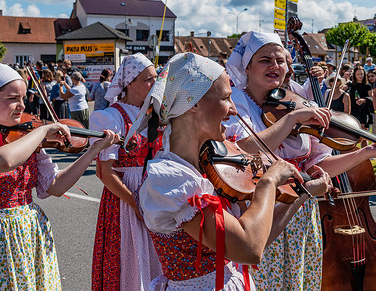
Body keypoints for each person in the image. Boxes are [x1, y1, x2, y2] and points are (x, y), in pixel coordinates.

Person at [124, 52, 332, 290]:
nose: (233, 109)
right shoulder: (170, 180)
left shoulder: (207, 169)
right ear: (194, 104)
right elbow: (249, 249)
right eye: (226, 98)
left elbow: (260, 236)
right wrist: (268, 182)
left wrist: (303, 193)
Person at [0, 61, 119, 290]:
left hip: (30, 234)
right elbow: (2, 161)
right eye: (13, 98)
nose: (22, 106)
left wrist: (93, 151)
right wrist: (43, 130)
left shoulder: (25, 137)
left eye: (23, 98)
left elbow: (55, 186)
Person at [224, 31, 376, 290]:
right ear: (247, 66)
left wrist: (364, 153)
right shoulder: (236, 102)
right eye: (265, 60)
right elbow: (244, 150)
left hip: (301, 215)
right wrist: (292, 119)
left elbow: (315, 167)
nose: (275, 66)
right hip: (262, 214)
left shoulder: (293, 99)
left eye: (281, 60)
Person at [89, 53, 162, 290]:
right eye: (149, 79)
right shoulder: (110, 117)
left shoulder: (156, 115)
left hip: (155, 198)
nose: (155, 84)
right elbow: (104, 173)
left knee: (158, 263)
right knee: (130, 262)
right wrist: (135, 203)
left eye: (156, 78)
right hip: (125, 203)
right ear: (129, 83)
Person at [345, 66, 373, 130]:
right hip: (353, 110)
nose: (360, 76)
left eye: (362, 74)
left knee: (363, 131)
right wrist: (345, 78)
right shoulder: (350, 84)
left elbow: (371, 98)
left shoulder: (368, 86)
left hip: (364, 111)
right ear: (354, 75)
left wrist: (364, 100)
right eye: (358, 74)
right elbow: (341, 89)